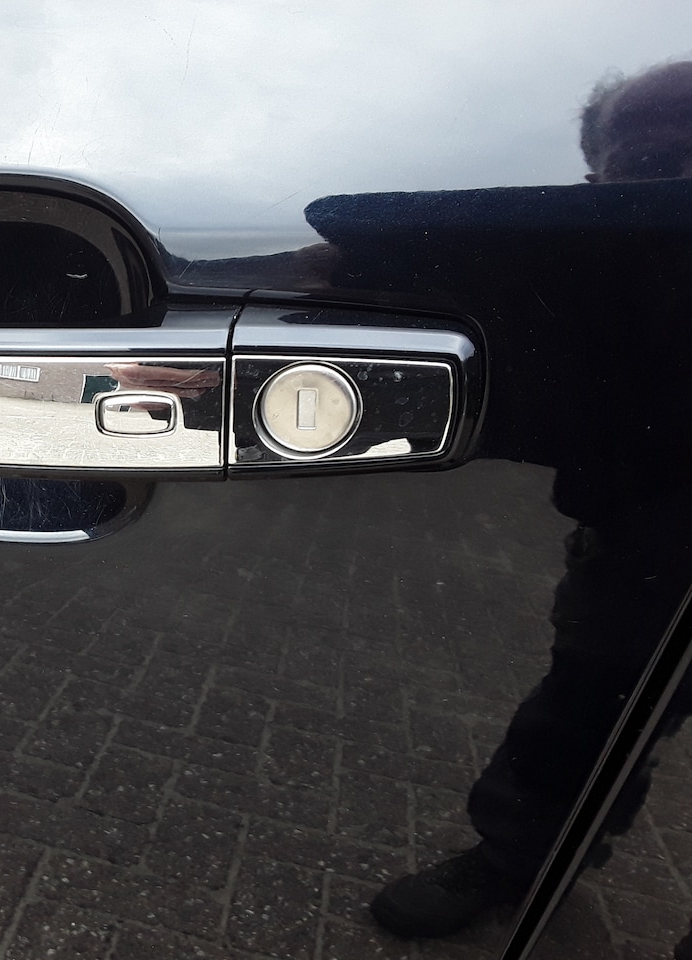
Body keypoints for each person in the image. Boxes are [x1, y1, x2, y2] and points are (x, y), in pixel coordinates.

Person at [369, 60, 692, 940]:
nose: (682, 180)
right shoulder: (578, 266)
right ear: (599, 181)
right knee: (585, 713)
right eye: (652, 160)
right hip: (646, 544)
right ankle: (516, 858)